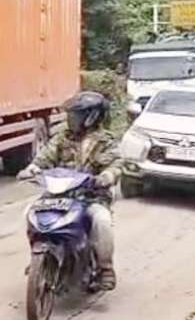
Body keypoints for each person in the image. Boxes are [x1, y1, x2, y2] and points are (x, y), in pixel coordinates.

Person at [17, 91, 122, 291]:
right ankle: (40, 256)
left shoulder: (105, 141)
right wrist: (31, 169)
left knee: (102, 221)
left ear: (91, 117)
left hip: (91, 197)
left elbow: (116, 164)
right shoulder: (61, 138)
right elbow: (43, 159)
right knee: (30, 212)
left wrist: (106, 177)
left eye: (76, 115)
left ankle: (105, 269)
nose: (70, 119)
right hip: (59, 194)